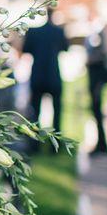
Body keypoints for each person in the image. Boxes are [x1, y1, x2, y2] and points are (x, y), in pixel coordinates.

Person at [22, 8, 69, 144]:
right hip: (54, 75)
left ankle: (35, 143)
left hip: (37, 75)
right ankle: (56, 142)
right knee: (57, 111)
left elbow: (26, 49)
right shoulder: (59, 32)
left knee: (35, 112)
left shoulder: (34, 31)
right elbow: (65, 48)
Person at [85, 12, 107, 156]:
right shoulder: (93, 33)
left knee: (97, 107)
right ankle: (101, 143)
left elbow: (104, 53)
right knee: (95, 109)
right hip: (93, 75)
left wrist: (89, 61)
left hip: (98, 76)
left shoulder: (102, 32)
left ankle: (102, 144)